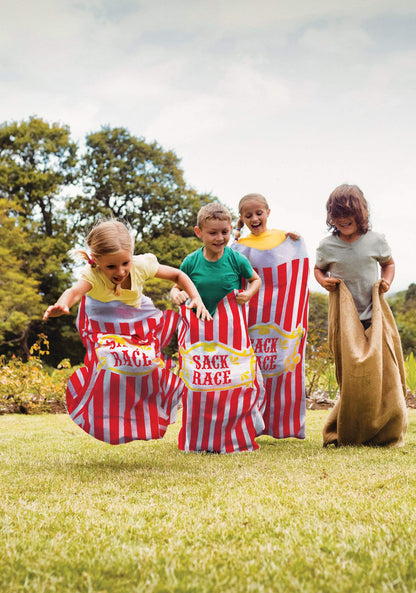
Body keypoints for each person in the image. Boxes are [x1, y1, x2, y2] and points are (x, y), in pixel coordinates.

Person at [43, 219, 211, 445]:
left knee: (146, 362)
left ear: (132, 255)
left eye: (125, 263)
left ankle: (156, 406)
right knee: (113, 363)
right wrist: (63, 304)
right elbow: (73, 291)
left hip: (133, 316)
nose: (120, 271)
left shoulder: (141, 265)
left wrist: (196, 297)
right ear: (96, 261)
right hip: (102, 319)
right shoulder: (92, 275)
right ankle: (97, 407)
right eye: (111, 266)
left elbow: (178, 276)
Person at [314, 184, 407, 446]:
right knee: (354, 377)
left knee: (384, 372)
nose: (342, 219)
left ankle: (386, 429)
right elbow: (318, 269)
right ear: (330, 216)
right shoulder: (327, 245)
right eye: (336, 214)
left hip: (374, 315)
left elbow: (388, 263)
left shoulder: (376, 240)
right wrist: (323, 281)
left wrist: (387, 281)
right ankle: (350, 430)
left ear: (361, 212)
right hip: (345, 318)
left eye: (347, 213)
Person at [170, 203, 265, 453]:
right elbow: (176, 285)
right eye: (213, 233)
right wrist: (176, 294)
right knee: (202, 383)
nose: (220, 238)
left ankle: (238, 431)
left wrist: (249, 293)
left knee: (236, 381)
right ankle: (201, 436)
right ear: (198, 232)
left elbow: (256, 279)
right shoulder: (191, 262)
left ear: (231, 229)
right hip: (198, 335)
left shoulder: (235, 259)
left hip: (232, 335)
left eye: (225, 231)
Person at [231, 193, 309, 440]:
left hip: (281, 318)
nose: (254, 218)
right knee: (251, 370)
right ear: (242, 219)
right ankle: (249, 422)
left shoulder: (285, 238)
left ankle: (284, 425)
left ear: (268, 212)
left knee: (281, 366)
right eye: (248, 215)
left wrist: (294, 239)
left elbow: (297, 276)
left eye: (258, 213)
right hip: (252, 316)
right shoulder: (238, 246)